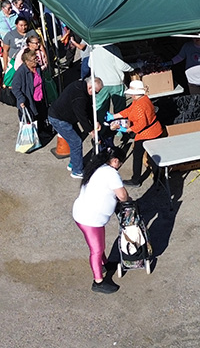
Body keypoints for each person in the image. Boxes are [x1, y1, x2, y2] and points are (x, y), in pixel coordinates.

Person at [72, 147, 129, 294]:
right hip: (90, 219)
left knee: (99, 244)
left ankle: (104, 264)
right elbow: (122, 195)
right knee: (96, 250)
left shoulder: (97, 167)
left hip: (85, 213)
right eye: (120, 163)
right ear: (115, 161)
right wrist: (128, 201)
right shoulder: (111, 173)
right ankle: (98, 281)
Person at [109, 80, 164, 188]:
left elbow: (141, 124)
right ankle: (158, 178)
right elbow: (129, 110)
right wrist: (115, 116)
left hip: (146, 134)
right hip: (155, 130)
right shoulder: (143, 99)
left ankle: (136, 180)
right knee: (155, 156)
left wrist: (126, 130)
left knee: (138, 155)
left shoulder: (139, 105)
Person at [48, 77, 103, 179]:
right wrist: (91, 130)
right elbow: (81, 116)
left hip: (65, 117)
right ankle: (77, 171)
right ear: (90, 88)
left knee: (76, 138)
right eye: (96, 92)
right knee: (76, 142)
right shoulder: (80, 97)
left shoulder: (81, 86)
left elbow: (88, 108)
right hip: (59, 119)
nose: (97, 95)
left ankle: (73, 163)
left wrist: (95, 121)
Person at [89, 44, 134, 119]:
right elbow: (121, 66)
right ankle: (119, 128)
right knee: (120, 109)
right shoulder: (114, 49)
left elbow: (90, 65)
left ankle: (101, 128)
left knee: (101, 108)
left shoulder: (94, 50)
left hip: (101, 84)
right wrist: (132, 68)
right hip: (116, 82)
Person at [2, 16, 39, 87]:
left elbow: (39, 45)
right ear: (16, 25)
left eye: (25, 25)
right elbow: (5, 51)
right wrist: (5, 64)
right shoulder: (10, 35)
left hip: (30, 61)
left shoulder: (32, 33)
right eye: (21, 25)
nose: (23, 27)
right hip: (14, 62)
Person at [11, 49, 45, 125]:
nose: (37, 60)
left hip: (39, 99)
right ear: (27, 61)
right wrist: (21, 98)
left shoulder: (37, 68)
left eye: (36, 58)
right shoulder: (21, 72)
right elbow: (15, 87)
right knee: (30, 123)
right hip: (28, 102)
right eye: (34, 59)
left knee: (41, 120)